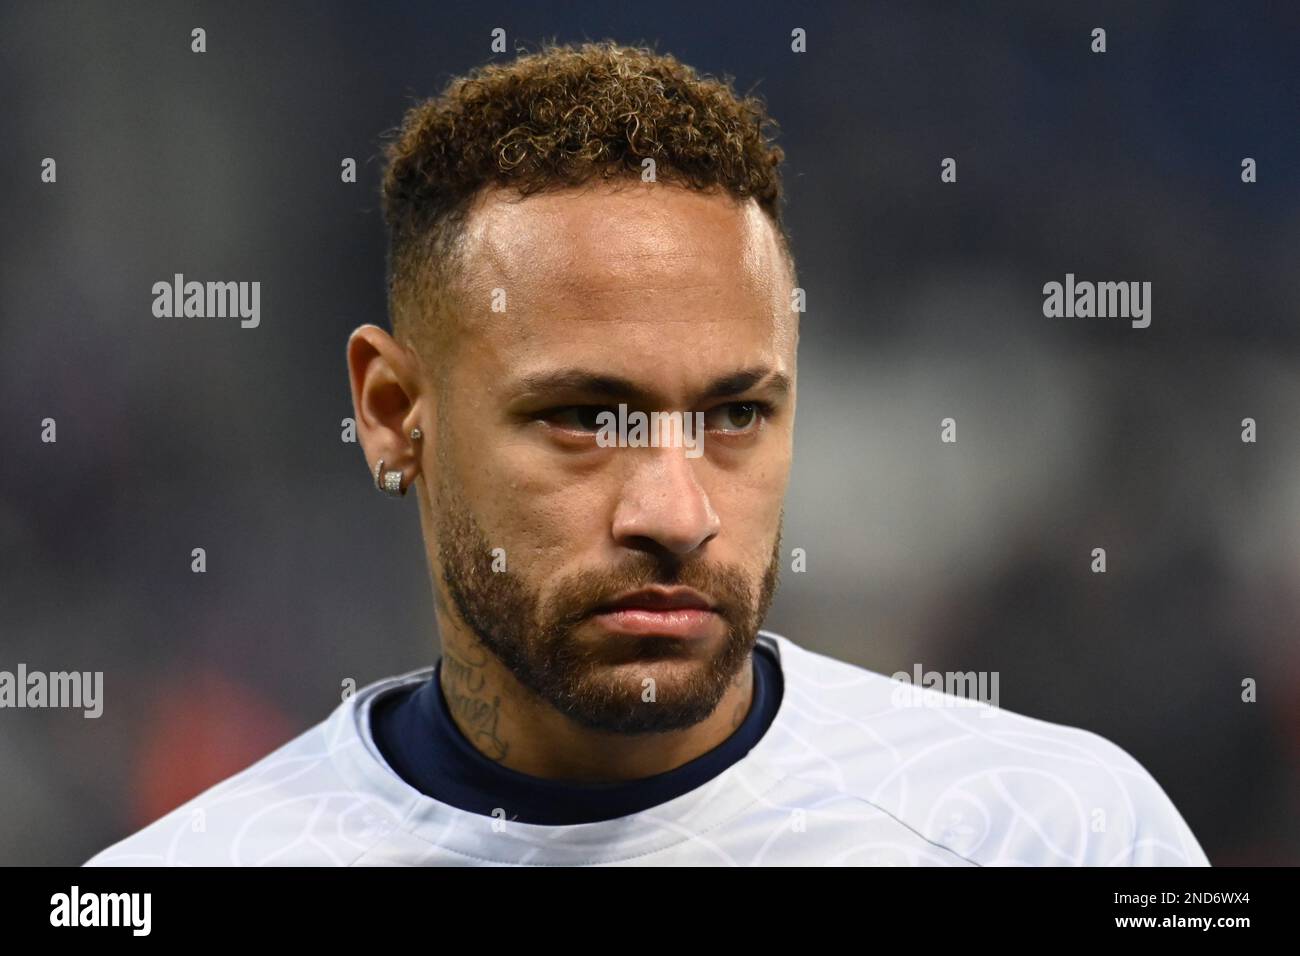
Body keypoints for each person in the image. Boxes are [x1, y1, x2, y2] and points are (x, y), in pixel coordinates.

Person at [86, 41, 1208, 866]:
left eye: (735, 414)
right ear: (391, 410)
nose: (676, 511)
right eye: (584, 416)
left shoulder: (1057, 831)